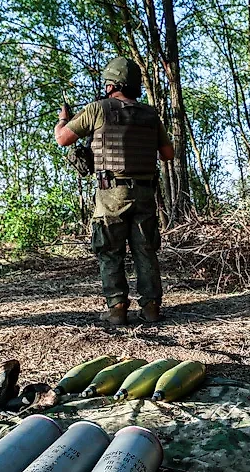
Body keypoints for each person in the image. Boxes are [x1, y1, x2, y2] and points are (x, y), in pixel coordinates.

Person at [55, 57, 175, 325]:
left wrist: (63, 119)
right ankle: (151, 307)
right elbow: (168, 154)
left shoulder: (97, 109)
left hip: (110, 193)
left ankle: (117, 307)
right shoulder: (150, 114)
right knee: (146, 250)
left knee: (110, 250)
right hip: (144, 193)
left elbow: (63, 139)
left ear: (111, 85)